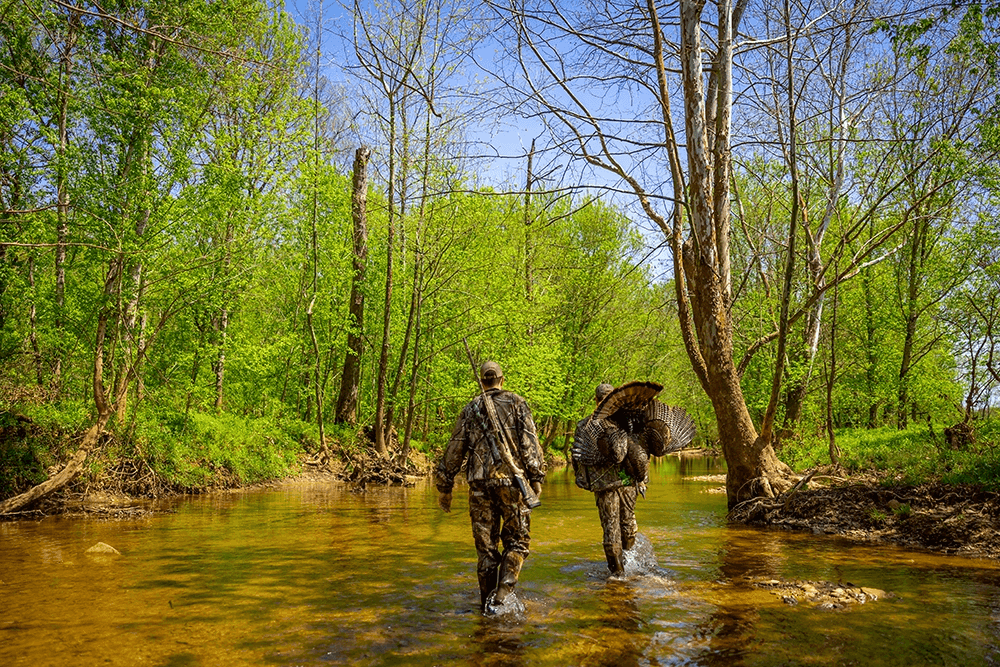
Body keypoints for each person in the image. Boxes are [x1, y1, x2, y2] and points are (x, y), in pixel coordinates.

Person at [435, 360, 546, 614]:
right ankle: (503, 595)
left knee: (486, 549)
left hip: (478, 486)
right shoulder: (518, 403)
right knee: (517, 543)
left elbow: (455, 448)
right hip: (512, 483)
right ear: (502, 380)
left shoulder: (470, 408)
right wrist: (536, 478)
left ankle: (486, 608)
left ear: (482, 382)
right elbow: (530, 444)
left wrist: (445, 487)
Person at [572, 383, 641, 577]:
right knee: (628, 524)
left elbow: (577, 457)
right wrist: (642, 479)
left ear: (596, 400)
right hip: (627, 481)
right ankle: (629, 566)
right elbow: (640, 453)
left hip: (604, 486)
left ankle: (618, 574)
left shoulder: (584, 425)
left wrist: (582, 479)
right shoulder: (628, 422)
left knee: (611, 528)